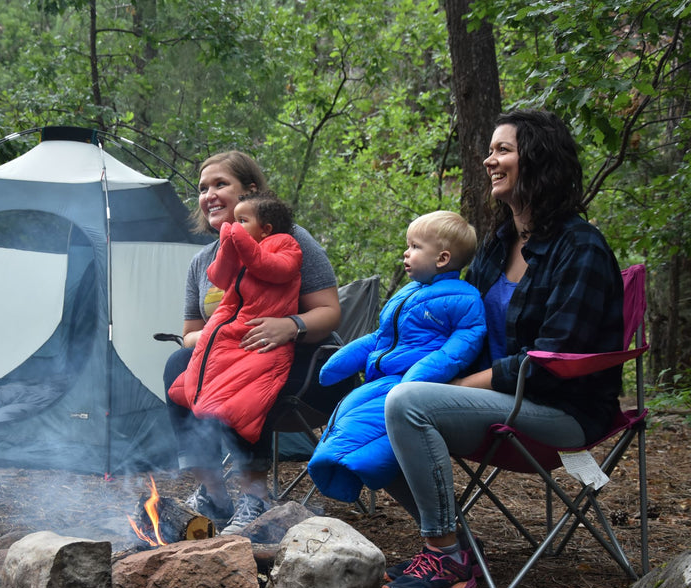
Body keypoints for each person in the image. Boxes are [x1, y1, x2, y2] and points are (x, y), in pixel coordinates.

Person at [380, 109, 624, 588]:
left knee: (406, 404)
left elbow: (553, 360)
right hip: (500, 400)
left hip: (564, 412)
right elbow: (468, 331)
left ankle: (446, 559)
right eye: (490, 150)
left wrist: (456, 388)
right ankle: (460, 544)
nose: (490, 160)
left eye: (503, 150)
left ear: (537, 160)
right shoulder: (499, 243)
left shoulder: (581, 248)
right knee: (378, 402)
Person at [162, 151, 343, 534]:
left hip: (305, 366)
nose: (209, 194)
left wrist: (288, 325)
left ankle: (254, 495)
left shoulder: (290, 241)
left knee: (244, 379)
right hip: (229, 354)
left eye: (220, 184)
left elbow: (329, 312)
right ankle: (213, 494)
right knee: (178, 366)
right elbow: (190, 331)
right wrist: (212, 335)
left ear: (252, 191)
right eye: (202, 188)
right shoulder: (204, 262)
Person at [307, 211, 486, 503]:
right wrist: (341, 360)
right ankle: (340, 467)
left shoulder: (464, 299)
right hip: (387, 380)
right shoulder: (408, 292)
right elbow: (382, 337)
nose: (406, 252)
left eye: (415, 247)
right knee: (350, 409)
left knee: (371, 425)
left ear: (441, 259)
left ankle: (348, 469)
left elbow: (460, 348)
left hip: (413, 384)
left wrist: (418, 377)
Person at [168, 191, 302, 444]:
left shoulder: (286, 244)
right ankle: (198, 401)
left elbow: (272, 268)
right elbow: (218, 276)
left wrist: (237, 237)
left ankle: (232, 426)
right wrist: (228, 246)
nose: (234, 226)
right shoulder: (238, 252)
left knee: (240, 393)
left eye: (242, 221)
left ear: (265, 230)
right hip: (229, 331)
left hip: (261, 338)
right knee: (197, 371)